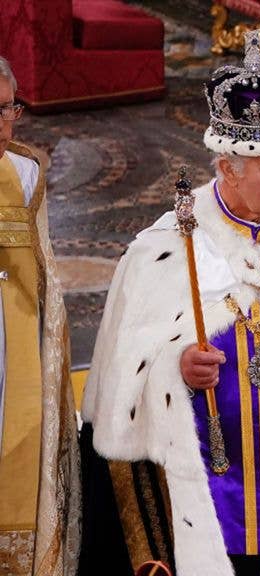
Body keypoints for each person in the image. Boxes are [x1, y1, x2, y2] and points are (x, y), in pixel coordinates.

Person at [78, 32, 260, 576]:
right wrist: (179, 367)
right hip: (210, 490)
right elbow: (125, 382)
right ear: (228, 167)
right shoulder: (166, 247)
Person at [0, 55, 81, 576]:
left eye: (8, 109)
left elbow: (41, 271)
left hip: (13, 345)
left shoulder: (24, 172)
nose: (3, 124)